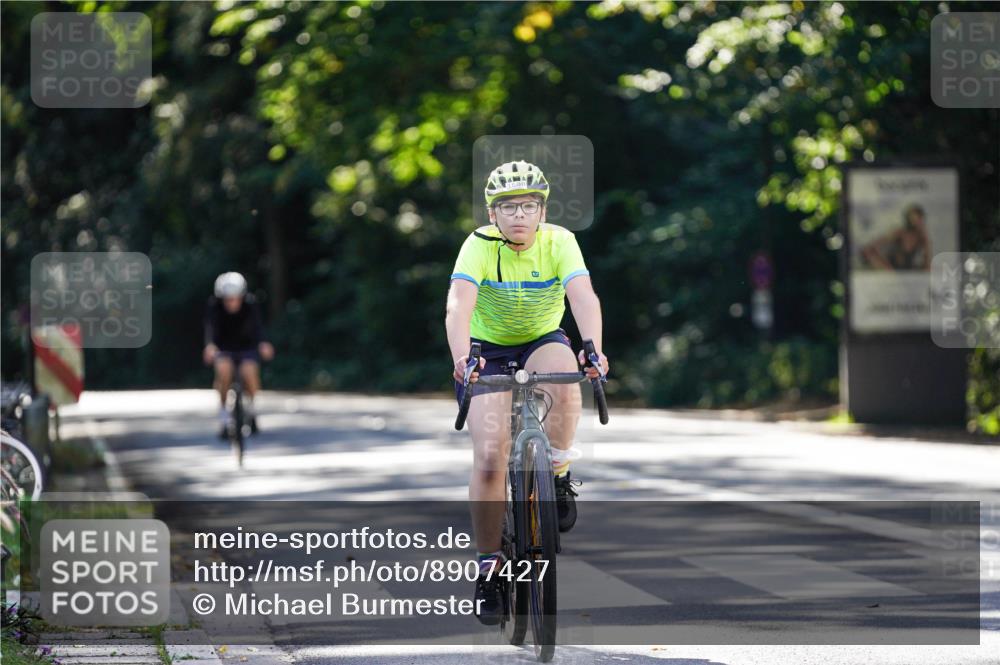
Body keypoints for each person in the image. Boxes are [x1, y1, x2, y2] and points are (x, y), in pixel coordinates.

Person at [444, 160, 609, 625]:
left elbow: (582, 296)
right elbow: (458, 305)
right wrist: (462, 357)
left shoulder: (561, 241)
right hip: (487, 351)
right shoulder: (477, 246)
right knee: (491, 458)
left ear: (542, 210)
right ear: (492, 214)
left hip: (541, 338)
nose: (519, 214)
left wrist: (593, 349)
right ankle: (490, 567)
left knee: (565, 376)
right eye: (508, 207)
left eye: (529, 206)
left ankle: (556, 472)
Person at [203, 272, 274, 438]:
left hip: (246, 348)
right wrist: (210, 346)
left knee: (249, 372)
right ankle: (224, 419)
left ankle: (251, 411)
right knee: (223, 371)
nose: (231, 302)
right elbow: (210, 329)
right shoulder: (214, 306)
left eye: (234, 298)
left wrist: (263, 343)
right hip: (224, 348)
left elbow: (258, 328)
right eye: (227, 298)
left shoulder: (250, 304)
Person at [860, 204, 931, 271]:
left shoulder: (922, 236)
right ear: (907, 218)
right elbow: (875, 245)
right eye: (913, 218)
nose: (915, 221)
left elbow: (926, 261)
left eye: (918, 219)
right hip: (891, 267)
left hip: (907, 268)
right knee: (869, 252)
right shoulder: (900, 232)